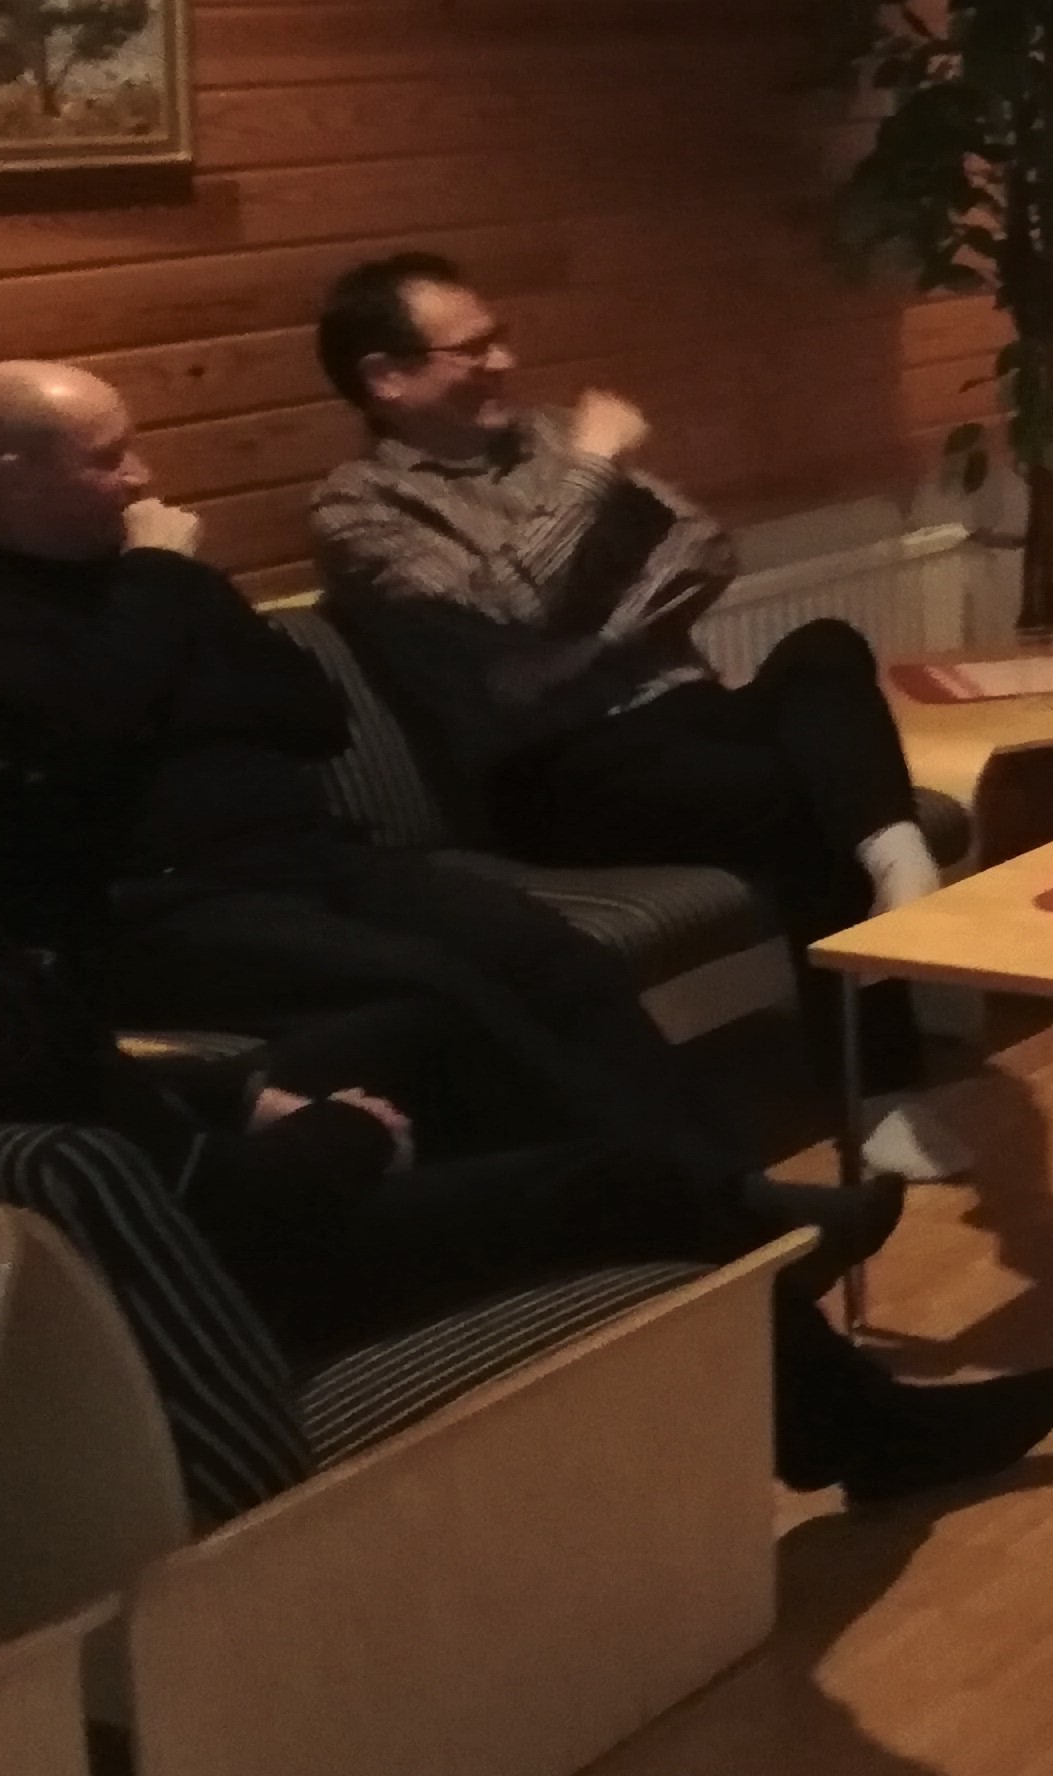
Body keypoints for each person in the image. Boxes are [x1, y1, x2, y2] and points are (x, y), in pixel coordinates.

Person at [0, 491, 1053, 1504]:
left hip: (20, 1221)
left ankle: (740, 1220)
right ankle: (830, 1387)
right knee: (618, 1181)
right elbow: (157, 1194)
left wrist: (228, 1084)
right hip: (162, 1293)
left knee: (433, 1023)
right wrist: (332, 1138)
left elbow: (53, 1095)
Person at [0, 358, 880, 1275]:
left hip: (315, 858)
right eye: (109, 458)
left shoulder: (169, 588)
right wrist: (163, 606)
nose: (141, 477)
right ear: (14, 474)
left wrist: (166, 656)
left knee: (558, 959)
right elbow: (81, 747)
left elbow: (309, 713)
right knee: (446, 990)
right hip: (158, 906)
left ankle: (723, 1194)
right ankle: (707, 1220)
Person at [303, 253, 980, 1179]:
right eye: (472, 349)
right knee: (803, 804)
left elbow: (701, 546)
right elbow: (509, 604)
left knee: (824, 651)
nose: (504, 361)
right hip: (559, 771)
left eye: (499, 337)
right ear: (387, 377)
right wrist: (590, 471)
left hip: (681, 711)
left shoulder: (545, 434)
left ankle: (901, 866)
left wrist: (576, 651)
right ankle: (880, 1092)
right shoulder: (360, 508)